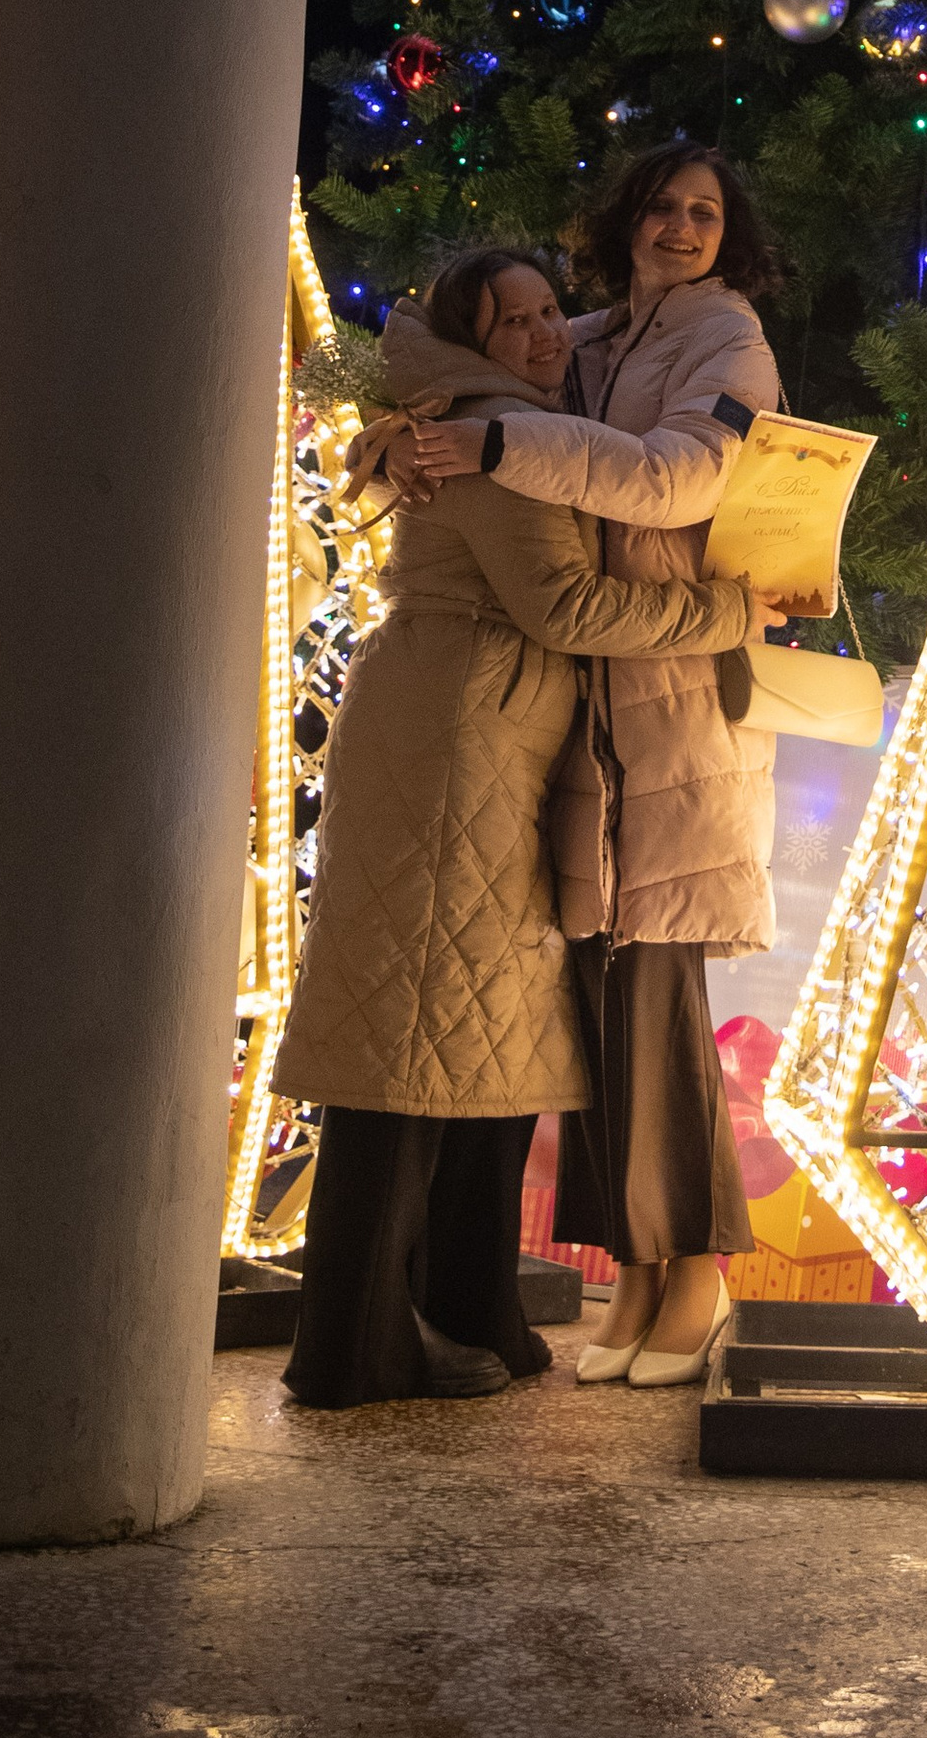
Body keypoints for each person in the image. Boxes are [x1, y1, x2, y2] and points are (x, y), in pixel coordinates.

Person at [273, 246, 755, 1410]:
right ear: (469, 343)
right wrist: (733, 608)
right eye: (517, 321)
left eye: (552, 311)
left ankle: (460, 1300)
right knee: (407, 1036)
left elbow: (615, 337)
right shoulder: (491, 440)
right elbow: (567, 604)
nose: (548, 335)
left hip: (474, 730)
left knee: (462, 1024)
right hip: (457, 738)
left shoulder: (494, 412)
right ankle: (357, 1344)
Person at [400, 141, 785, 1389]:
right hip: (587, 714)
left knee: (657, 990)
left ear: (728, 237)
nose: (681, 227)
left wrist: (500, 446)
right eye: (665, 207)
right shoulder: (592, 335)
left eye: (705, 213)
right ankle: (637, 1271)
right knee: (601, 999)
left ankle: (701, 1272)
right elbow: (442, 361)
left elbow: (681, 481)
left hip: (670, 704)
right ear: (624, 220)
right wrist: (389, 451)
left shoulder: (727, 340)